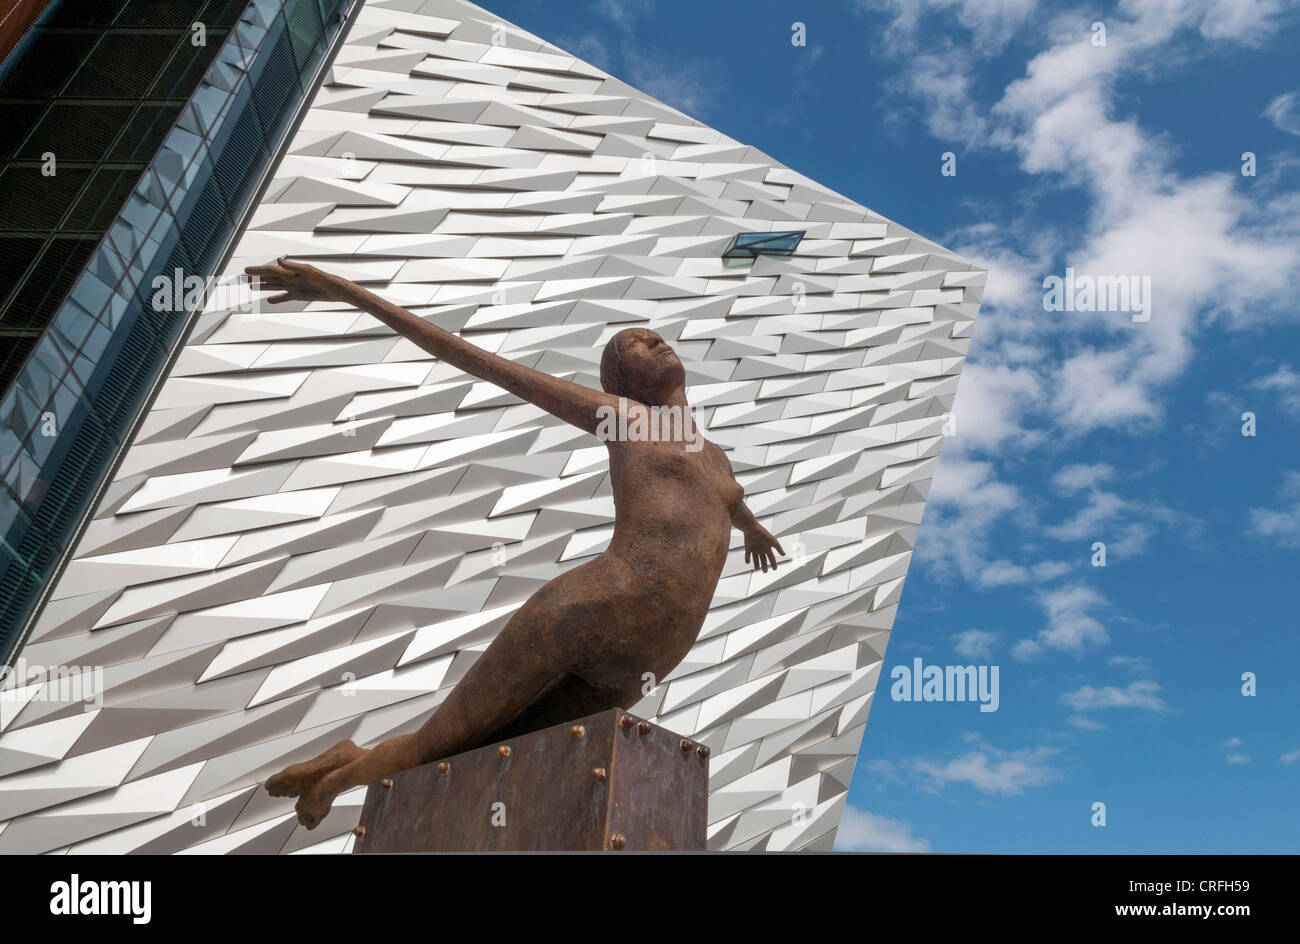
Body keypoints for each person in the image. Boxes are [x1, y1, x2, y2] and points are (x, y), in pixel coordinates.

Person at [246, 258, 786, 828]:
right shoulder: (623, 419)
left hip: (650, 654)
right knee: (446, 741)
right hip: (591, 613)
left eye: (655, 337)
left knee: (501, 756)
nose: (653, 342)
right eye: (635, 345)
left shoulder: (715, 454)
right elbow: (480, 362)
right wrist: (346, 292)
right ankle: (342, 770)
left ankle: (346, 764)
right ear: (621, 383)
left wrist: (752, 527)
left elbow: (725, 498)